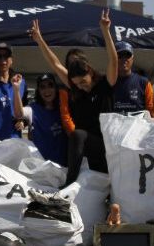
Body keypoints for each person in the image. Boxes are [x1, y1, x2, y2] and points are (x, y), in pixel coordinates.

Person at [30, 10, 117, 184]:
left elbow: (113, 60)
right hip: (84, 151)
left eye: (83, 82)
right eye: (76, 84)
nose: (81, 87)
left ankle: (69, 183)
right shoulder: (75, 88)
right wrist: (40, 40)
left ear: (90, 72)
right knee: (77, 136)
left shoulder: (105, 85)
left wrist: (106, 31)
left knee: (77, 135)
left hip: (103, 146)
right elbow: (55, 64)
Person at [28, 73, 67, 166]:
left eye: (50, 86)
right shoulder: (32, 109)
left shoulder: (64, 107)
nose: (47, 90)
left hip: (65, 167)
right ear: (38, 91)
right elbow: (20, 113)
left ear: (56, 88)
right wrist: (16, 89)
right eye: (42, 87)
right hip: (43, 168)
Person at [111, 41, 154, 117]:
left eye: (127, 55)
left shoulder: (144, 83)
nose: (124, 59)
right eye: (120, 56)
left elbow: (151, 112)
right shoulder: (107, 82)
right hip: (113, 127)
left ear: (132, 58)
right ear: (114, 58)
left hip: (137, 128)